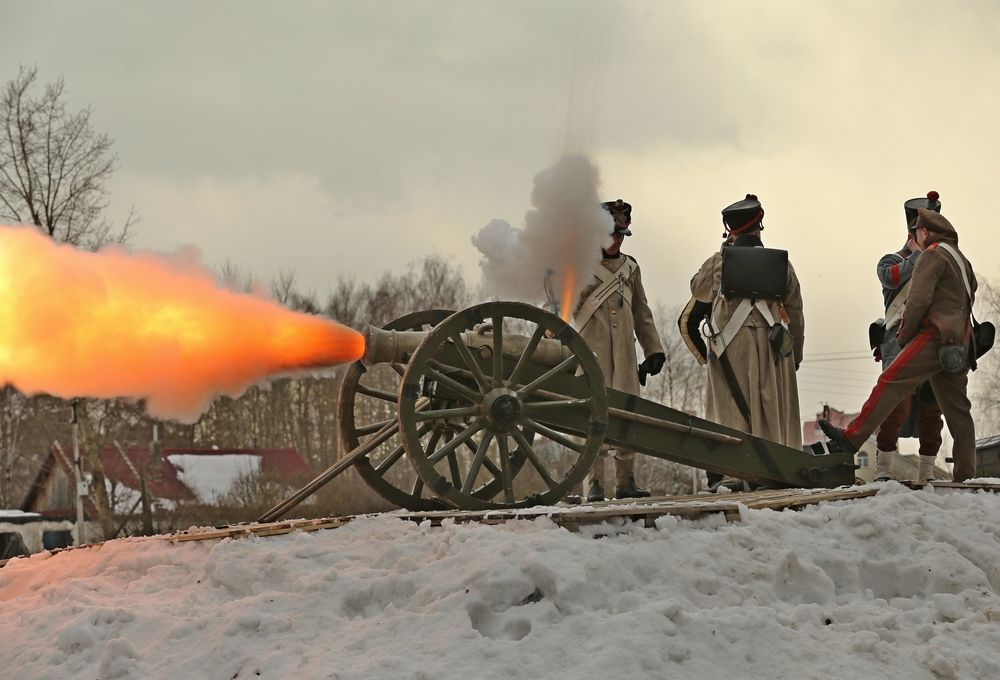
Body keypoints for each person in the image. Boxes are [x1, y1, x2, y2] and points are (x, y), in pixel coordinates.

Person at [819, 208, 978, 482]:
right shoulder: (962, 261)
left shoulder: (932, 254)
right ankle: (966, 474)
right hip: (958, 344)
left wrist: (905, 338)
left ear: (924, 233)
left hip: (933, 336)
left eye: (917, 232)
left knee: (889, 383)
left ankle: (850, 439)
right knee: (958, 412)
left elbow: (918, 300)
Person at [680, 194, 804, 490]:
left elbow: (699, 289)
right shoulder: (782, 264)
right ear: (759, 225)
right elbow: (796, 311)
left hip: (730, 348)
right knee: (771, 408)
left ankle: (735, 474)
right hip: (772, 347)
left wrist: (723, 251)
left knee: (730, 410)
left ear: (730, 230)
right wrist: (795, 354)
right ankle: (775, 469)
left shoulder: (719, 261)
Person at [570, 199, 665, 502]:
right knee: (592, 417)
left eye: (621, 235)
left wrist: (653, 350)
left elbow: (642, 312)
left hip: (624, 355)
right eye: (612, 234)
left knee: (627, 417)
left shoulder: (631, 268)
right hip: (591, 354)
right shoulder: (581, 265)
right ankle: (594, 482)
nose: (616, 241)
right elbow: (561, 304)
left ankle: (626, 481)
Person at [869, 192, 945, 482]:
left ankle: (927, 472)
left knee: (931, 410)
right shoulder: (892, 260)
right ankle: (884, 469)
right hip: (898, 344)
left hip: (932, 343)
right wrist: (918, 255)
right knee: (893, 408)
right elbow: (891, 278)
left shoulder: (941, 262)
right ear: (914, 232)